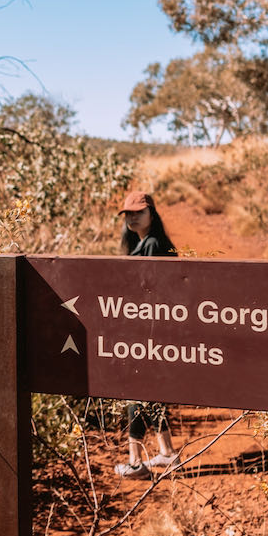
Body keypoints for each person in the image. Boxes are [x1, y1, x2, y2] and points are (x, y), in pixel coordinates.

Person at [114, 191, 181, 477]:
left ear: (152, 214)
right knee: (150, 393)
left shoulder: (152, 245)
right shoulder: (144, 244)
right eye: (128, 213)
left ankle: (134, 462)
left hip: (149, 333)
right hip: (151, 333)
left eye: (138, 212)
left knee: (136, 393)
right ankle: (166, 453)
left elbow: (150, 294)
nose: (132, 217)